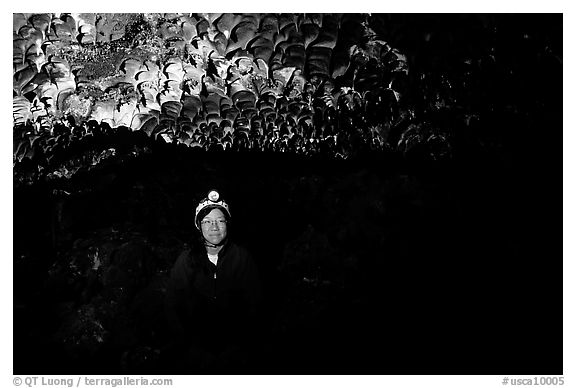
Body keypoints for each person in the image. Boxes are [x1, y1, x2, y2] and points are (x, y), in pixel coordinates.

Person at [164, 189, 262, 372]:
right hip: (194, 352)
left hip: (235, 353)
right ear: (199, 226)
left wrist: (240, 348)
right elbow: (172, 307)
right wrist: (189, 348)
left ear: (228, 224)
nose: (214, 227)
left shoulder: (242, 258)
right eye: (207, 221)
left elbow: (255, 306)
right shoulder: (186, 261)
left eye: (220, 220)